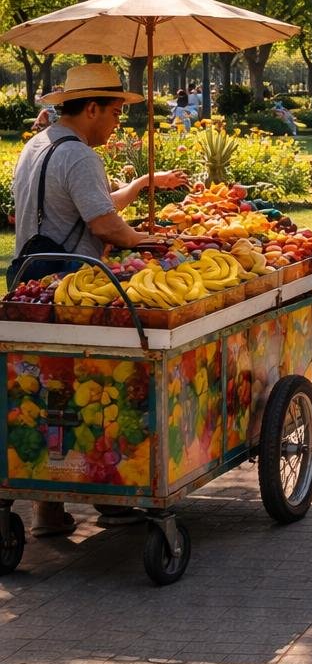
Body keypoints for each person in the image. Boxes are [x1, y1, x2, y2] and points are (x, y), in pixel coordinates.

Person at [10, 63, 187, 538]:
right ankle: (112, 491)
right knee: (100, 386)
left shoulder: (37, 145)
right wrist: (148, 241)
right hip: (77, 288)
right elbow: (105, 225)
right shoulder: (81, 155)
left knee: (51, 390)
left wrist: (143, 183)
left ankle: (48, 508)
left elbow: (93, 205)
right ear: (91, 108)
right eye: (114, 113)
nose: (116, 123)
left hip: (31, 284)